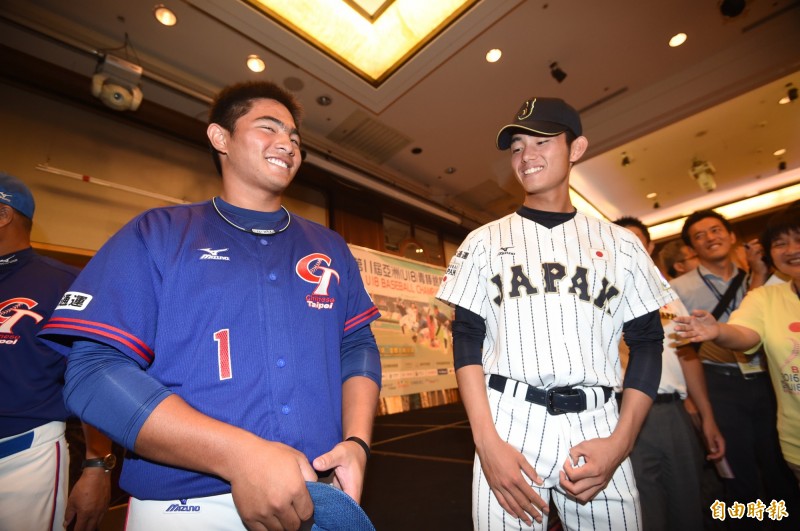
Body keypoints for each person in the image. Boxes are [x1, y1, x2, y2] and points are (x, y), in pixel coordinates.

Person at [39, 81, 382, 531]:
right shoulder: (159, 233)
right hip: (186, 505)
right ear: (220, 138)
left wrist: (357, 442)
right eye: (269, 128)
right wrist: (239, 455)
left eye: (295, 138)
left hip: (315, 496)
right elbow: (93, 372)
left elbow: (356, 343)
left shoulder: (329, 246)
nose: (288, 144)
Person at [436, 97, 674, 530]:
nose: (527, 156)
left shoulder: (621, 243)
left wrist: (620, 443)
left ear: (576, 148)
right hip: (508, 420)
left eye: (542, 141)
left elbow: (647, 344)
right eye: (517, 146)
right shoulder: (483, 241)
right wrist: (487, 444)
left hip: (598, 423)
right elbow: (466, 340)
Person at [669, 209, 798, 525]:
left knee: (778, 463)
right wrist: (702, 409)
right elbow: (689, 350)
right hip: (721, 383)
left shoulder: (767, 276)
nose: (710, 238)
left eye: (715, 230)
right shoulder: (679, 288)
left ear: (731, 236)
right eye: (699, 236)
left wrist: (756, 272)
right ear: (692, 249)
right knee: (739, 473)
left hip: (770, 380)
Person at [0, 172, 112, 531]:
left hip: (22, 456)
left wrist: (97, 465)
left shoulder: (63, 283)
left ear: (4, 215)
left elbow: (95, 378)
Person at [613, 216, 724, 531]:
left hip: (672, 410)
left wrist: (706, 415)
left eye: (636, 241)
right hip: (622, 410)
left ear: (649, 246)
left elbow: (688, 356)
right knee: (643, 511)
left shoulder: (670, 298)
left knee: (688, 504)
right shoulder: (598, 297)